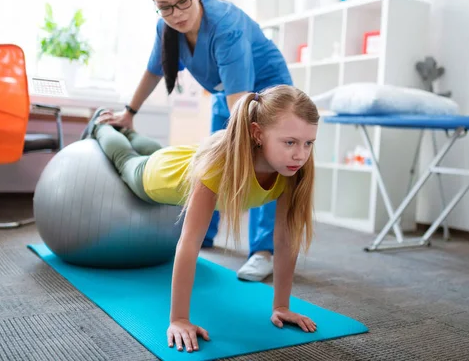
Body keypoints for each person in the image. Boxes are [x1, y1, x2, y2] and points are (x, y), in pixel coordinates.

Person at [80, 84, 320, 353]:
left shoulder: (292, 170)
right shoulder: (221, 167)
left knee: (144, 145)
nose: (300, 154)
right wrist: (179, 320)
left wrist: (281, 306)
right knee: (125, 157)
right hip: (156, 177)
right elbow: (190, 242)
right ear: (257, 134)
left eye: (308, 143)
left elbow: (285, 239)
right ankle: (102, 124)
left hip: (183, 159)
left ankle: (127, 130)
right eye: (290, 142)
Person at [98, 0, 293, 282]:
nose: (176, 13)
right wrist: (129, 112)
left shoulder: (226, 26)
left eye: (183, 0)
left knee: (262, 161)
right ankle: (204, 233)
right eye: (164, 7)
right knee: (215, 160)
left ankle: (263, 250)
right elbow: (153, 70)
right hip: (228, 94)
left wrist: (248, 138)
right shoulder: (167, 28)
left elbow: (241, 104)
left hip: (268, 91)